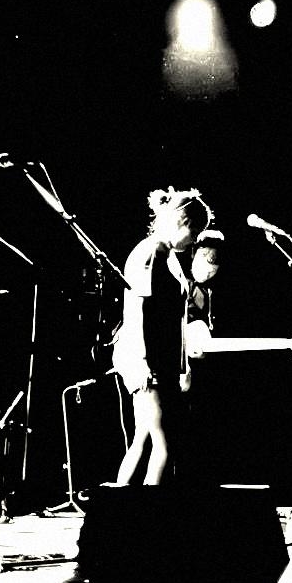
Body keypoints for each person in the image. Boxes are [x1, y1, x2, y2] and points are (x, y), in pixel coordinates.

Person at [110, 186, 218, 485]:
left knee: (143, 438)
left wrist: (182, 367)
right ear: (183, 221)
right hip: (148, 361)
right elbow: (138, 310)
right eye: (196, 231)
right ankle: (146, 510)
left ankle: (117, 504)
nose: (196, 239)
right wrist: (144, 363)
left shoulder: (167, 255)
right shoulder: (152, 252)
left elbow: (174, 319)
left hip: (160, 362)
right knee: (164, 445)